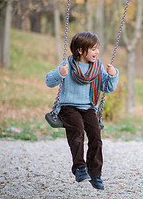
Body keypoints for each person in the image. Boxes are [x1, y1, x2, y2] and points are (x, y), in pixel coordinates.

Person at [45, 32, 119, 190]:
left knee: (96, 138)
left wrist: (113, 76)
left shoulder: (97, 67)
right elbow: (49, 81)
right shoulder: (68, 64)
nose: (96, 52)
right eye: (93, 49)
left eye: (97, 48)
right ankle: (79, 168)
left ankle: (95, 174)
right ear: (80, 50)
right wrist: (59, 73)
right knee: (77, 131)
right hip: (68, 107)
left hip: (89, 107)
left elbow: (107, 87)